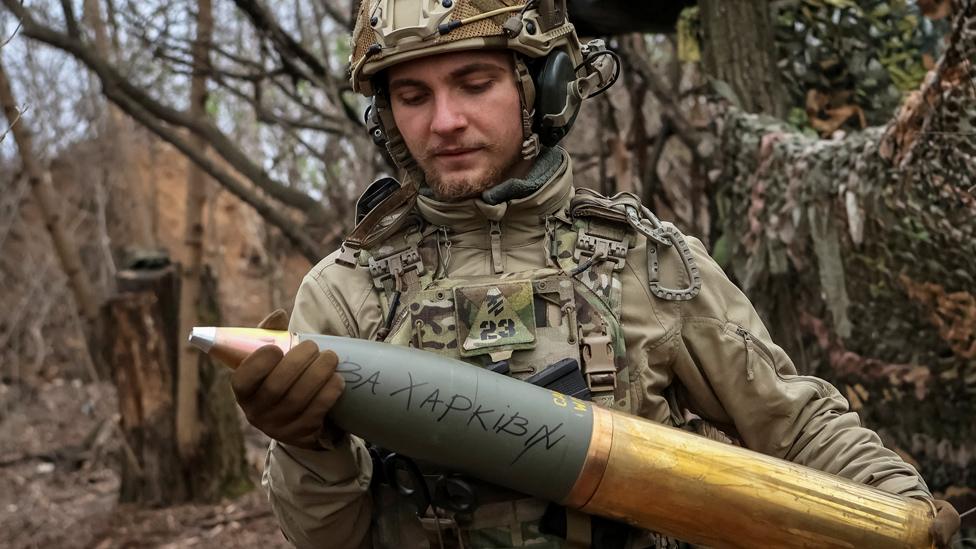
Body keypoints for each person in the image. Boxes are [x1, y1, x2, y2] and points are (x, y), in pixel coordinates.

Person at [229, 1, 961, 547]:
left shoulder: (650, 261)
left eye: (473, 82)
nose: (443, 121)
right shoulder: (344, 291)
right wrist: (307, 446)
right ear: (386, 116)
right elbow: (322, 536)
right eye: (412, 96)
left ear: (541, 86)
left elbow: (797, 425)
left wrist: (910, 513)